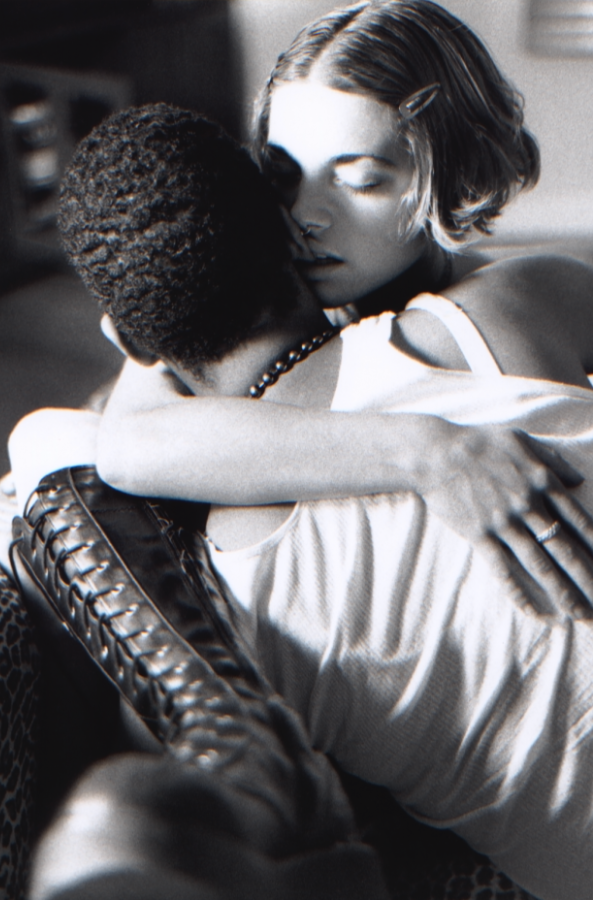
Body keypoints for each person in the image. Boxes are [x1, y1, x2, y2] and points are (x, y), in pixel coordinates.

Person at [12, 103, 593, 900]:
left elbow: (60, 444)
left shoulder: (239, 604)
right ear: (294, 237)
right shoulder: (509, 314)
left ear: (134, 347)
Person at [85, 0, 593, 610]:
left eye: (360, 180)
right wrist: (432, 451)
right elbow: (125, 445)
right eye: (283, 177)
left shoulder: (526, 293)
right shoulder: (254, 307)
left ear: (452, 172)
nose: (307, 217)